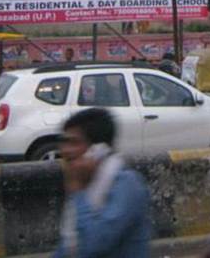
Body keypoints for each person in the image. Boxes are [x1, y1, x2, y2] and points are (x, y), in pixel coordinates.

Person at [53, 108, 150, 258]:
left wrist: (79, 192)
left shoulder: (126, 184)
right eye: (64, 142)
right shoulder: (88, 184)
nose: (65, 151)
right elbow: (68, 247)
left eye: (74, 142)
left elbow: (95, 244)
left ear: (98, 149)